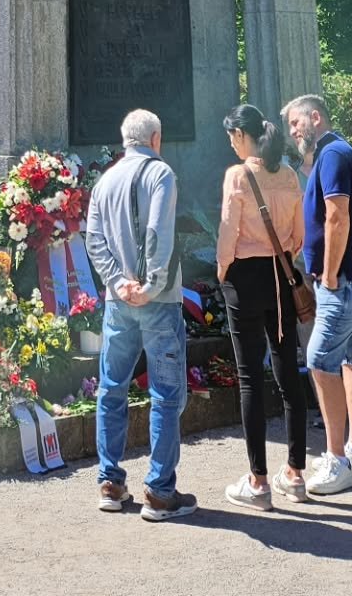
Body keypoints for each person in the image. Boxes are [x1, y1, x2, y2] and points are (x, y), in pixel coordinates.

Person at [84, 108, 197, 521]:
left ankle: (110, 483)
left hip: (118, 303)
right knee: (166, 396)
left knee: (111, 389)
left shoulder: (104, 181)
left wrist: (117, 283)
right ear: (155, 139)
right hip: (159, 301)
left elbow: (94, 239)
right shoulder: (161, 173)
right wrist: (149, 285)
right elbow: (158, 232)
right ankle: (160, 492)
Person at [282, 93, 352, 494]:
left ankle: (338, 461)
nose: (292, 133)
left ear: (315, 118)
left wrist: (331, 272)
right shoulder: (333, 153)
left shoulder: (334, 154)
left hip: (344, 282)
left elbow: (337, 215)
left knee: (321, 361)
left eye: (295, 124)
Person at [215, 103, 311, 509]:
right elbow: (300, 234)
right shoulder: (288, 174)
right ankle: (295, 473)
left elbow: (226, 233)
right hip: (281, 274)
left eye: (231, 138)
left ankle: (258, 482)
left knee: (250, 376)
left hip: (244, 277)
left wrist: (222, 273)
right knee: (288, 371)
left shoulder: (237, 175)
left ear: (241, 136)